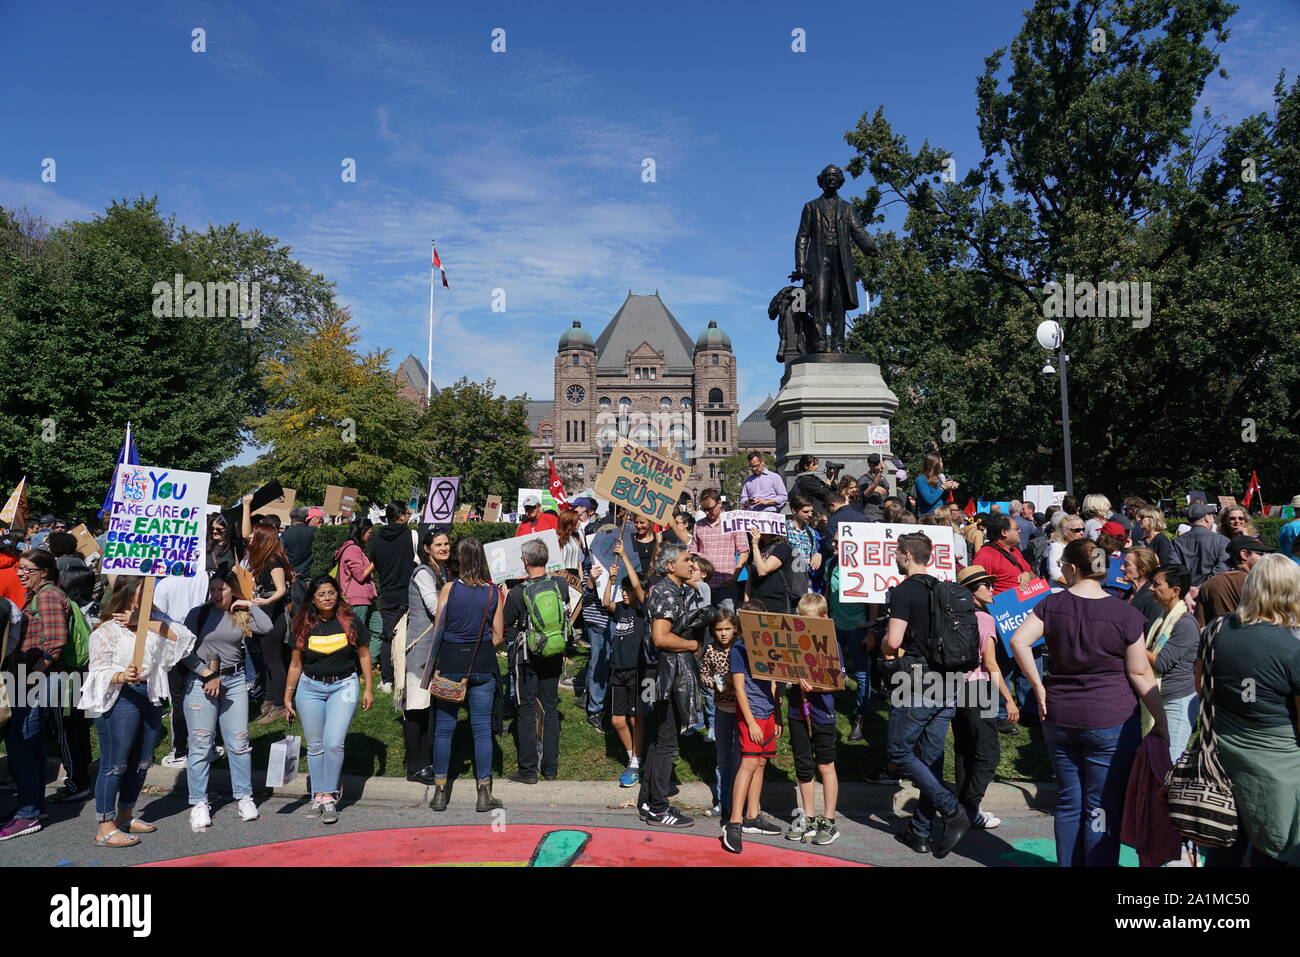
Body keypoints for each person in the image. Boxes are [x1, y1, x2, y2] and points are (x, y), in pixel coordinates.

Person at [1010, 537, 1168, 866]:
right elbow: (1139, 672)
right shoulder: (1123, 612)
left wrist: (1038, 687)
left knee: (1069, 801)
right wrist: (1162, 722)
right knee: (1101, 806)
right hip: (1110, 717)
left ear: (1070, 568)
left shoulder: (1051, 605)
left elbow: (1018, 641)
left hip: (1060, 714)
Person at [77, 575, 195, 847]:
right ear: (129, 592)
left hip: (150, 694)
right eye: (146, 588)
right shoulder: (107, 629)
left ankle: (125, 815)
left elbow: (183, 638)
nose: (151, 594)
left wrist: (143, 623)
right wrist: (120, 675)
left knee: (142, 761)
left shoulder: (155, 620)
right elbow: (97, 670)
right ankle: (104, 827)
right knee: (115, 764)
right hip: (121, 698)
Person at [1199, 554, 1300, 867]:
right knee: (1275, 848)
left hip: (1222, 752)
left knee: (1224, 841)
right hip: (1277, 763)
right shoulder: (1291, 646)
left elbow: (1199, 686)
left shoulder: (1216, 629)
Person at [882, 533, 970, 858]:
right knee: (931, 759)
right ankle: (919, 831)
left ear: (906, 555)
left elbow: (893, 641)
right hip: (950, 679)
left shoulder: (904, 590)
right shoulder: (943, 587)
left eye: (896, 553)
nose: (894, 557)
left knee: (898, 750)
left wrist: (881, 646)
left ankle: (951, 809)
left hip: (920, 681)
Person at [182, 569, 273, 829]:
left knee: (239, 742)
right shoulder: (198, 614)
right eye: (212, 588)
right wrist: (207, 674)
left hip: (233, 682)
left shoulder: (239, 613)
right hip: (201, 681)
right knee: (201, 743)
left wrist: (248, 604)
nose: (216, 593)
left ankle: (244, 796)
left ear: (232, 589)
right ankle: (199, 802)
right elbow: (184, 652)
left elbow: (266, 627)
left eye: (221, 588)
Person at [284, 575, 375, 824]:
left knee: (334, 743)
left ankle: (330, 796)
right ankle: (318, 795)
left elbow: (365, 654)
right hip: (310, 687)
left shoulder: (349, 619)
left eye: (331, 592)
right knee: (315, 746)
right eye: (321, 594)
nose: (327, 598)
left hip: (343, 685)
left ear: (338, 594)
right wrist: (288, 694)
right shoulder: (302, 622)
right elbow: (295, 663)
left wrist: (368, 687)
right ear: (313, 599)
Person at [425, 538, 505, 813]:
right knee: (482, 730)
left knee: (444, 730)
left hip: (450, 663)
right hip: (482, 663)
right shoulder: (493, 592)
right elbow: (498, 635)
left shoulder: (449, 589)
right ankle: (484, 792)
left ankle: (440, 791)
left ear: (459, 560)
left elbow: (439, 629)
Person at [1, 550, 71, 840]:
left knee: (22, 744)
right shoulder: (37, 596)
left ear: (45, 571)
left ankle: (27, 812)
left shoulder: (47, 596)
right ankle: (34, 806)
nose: (20, 574)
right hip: (34, 681)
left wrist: (30, 678)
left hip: (37, 682)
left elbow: (55, 643)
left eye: (27, 569)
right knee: (31, 745)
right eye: (19, 568)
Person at [637, 543, 701, 827]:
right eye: (687, 560)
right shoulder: (665, 591)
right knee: (666, 741)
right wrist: (691, 644)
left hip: (658, 672)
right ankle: (659, 808)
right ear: (670, 566)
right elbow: (661, 637)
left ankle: (648, 801)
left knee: (656, 738)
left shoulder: (670, 589)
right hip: (663, 674)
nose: (692, 564)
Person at [955, 565, 1019, 829]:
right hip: (980, 689)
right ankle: (969, 808)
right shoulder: (984, 619)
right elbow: (991, 664)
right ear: (972, 591)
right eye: (986, 585)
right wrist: (1009, 698)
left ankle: (962, 806)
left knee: (964, 750)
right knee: (989, 754)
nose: (992, 589)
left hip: (953, 687)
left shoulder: (952, 616)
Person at [504, 539, 571, 785]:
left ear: (525, 561)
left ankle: (528, 769)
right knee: (550, 707)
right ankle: (550, 768)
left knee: (526, 708)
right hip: (554, 651)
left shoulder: (517, 593)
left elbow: (507, 624)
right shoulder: (560, 584)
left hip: (527, 656)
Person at [720, 601, 784, 853]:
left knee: (761, 763)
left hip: (768, 715)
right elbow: (738, 688)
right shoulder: (739, 649)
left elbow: (775, 684)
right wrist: (749, 722)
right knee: (748, 763)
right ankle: (733, 822)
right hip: (752, 716)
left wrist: (777, 714)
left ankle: (752, 815)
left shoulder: (769, 647)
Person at [782, 592, 842, 846]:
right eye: (801, 621)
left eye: (811, 621)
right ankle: (808, 816)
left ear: (824, 618)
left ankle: (829, 820)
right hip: (797, 711)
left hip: (822, 713)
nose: (805, 626)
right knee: (803, 766)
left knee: (825, 765)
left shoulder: (831, 643)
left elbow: (838, 682)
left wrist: (815, 687)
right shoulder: (793, 642)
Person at [400, 530, 450, 785]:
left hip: (435, 650)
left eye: (446, 543)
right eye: (438, 544)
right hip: (420, 650)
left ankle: (426, 762)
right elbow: (435, 607)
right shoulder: (423, 573)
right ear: (427, 548)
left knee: (429, 709)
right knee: (417, 709)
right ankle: (415, 766)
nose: (444, 548)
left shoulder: (443, 572)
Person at [1143, 565, 1201, 764]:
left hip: (1176, 702)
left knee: (1169, 762)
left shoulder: (1185, 624)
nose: (1151, 588)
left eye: (1157, 584)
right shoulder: (1162, 618)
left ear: (1175, 591)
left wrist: (1132, 647)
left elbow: (1161, 662)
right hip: (1158, 698)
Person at [601, 537, 647, 789]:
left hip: (636, 669)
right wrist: (610, 580)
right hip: (617, 670)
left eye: (629, 591)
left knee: (634, 718)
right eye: (624, 590)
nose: (626, 594)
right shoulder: (620, 609)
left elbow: (638, 587)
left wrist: (626, 557)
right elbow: (605, 602)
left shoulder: (641, 610)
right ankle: (633, 757)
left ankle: (636, 761)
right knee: (618, 720)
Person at [243, 522, 292, 725]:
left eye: (256, 535)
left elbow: (281, 590)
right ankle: (271, 699)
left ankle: (280, 705)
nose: (251, 538)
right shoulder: (263, 558)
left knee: (274, 660)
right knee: (267, 658)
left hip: (274, 614)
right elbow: (245, 534)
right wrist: (246, 506)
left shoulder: (273, 560)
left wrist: (266, 601)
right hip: (265, 612)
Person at [699, 606, 741, 816]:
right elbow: (704, 673)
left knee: (739, 759)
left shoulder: (741, 649)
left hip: (741, 710)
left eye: (727, 628)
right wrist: (714, 683)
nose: (723, 633)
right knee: (722, 758)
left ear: (734, 628)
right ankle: (722, 802)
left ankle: (737, 801)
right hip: (721, 709)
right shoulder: (710, 650)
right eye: (718, 629)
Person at [370, 502, 417, 690]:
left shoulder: (377, 538)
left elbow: (376, 562)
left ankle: (387, 679)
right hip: (410, 591)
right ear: (401, 516)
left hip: (388, 591)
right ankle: (408, 675)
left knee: (389, 635)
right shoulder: (411, 535)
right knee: (411, 634)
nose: (409, 516)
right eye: (408, 513)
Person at [688, 489, 749, 609]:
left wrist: (735, 577)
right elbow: (693, 551)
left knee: (727, 623)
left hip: (725, 585)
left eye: (710, 508)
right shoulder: (698, 525)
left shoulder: (733, 522)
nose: (707, 513)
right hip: (703, 585)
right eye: (704, 509)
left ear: (720, 503)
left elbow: (744, 552)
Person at [1195, 535, 1273, 627]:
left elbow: (1200, 625)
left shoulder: (1209, 584)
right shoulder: (1257, 582)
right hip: (1253, 637)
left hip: (1219, 639)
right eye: (1260, 554)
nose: (1265, 558)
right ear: (1244, 554)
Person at [336, 517, 382, 666]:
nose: (371, 535)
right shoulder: (352, 549)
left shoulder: (355, 549)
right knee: (354, 635)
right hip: (357, 599)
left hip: (366, 598)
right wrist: (375, 562)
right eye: (369, 532)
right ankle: (351, 666)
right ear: (361, 532)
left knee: (378, 629)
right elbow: (360, 575)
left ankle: (371, 662)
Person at [1170, 503, 1230, 588]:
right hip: (1212, 590)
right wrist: (1200, 588)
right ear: (1207, 518)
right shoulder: (1222, 541)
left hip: (1185, 593)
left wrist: (1186, 590)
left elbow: (1175, 568)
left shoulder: (1176, 542)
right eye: (1213, 516)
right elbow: (1221, 569)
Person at [974, 513, 1033, 594]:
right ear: (1004, 532)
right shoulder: (985, 555)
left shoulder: (1014, 551)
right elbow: (976, 588)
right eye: (1016, 529)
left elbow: (1033, 575)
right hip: (1003, 605)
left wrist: (1027, 574)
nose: (1020, 531)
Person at [744, 527, 795, 614]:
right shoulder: (757, 548)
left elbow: (763, 571)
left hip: (776, 604)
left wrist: (755, 545)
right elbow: (750, 578)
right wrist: (746, 602)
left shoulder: (783, 548)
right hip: (756, 605)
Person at [785, 493, 820, 598]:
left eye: (811, 511)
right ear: (794, 511)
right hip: (787, 581)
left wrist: (818, 554)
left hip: (804, 582)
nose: (810, 514)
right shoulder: (784, 529)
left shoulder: (811, 532)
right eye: (805, 512)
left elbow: (813, 555)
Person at [1121, 546, 1161, 626]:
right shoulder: (1129, 593)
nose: (1121, 568)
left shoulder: (1152, 598)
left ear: (1142, 570)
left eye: (1126, 565)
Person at [1044, 514, 1086, 587]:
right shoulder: (1056, 547)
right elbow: (1055, 575)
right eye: (1077, 530)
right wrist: (1077, 587)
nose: (1082, 533)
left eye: (1083, 529)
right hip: (1060, 591)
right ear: (1065, 531)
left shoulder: (1080, 547)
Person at [281, 506, 318, 587]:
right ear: (305, 518)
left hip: (292, 574)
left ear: (292, 519)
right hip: (309, 572)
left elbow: (281, 554)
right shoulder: (314, 531)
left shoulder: (285, 534)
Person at [913, 451, 957, 517]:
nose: (942, 464)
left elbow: (942, 500)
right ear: (935, 464)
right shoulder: (921, 480)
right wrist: (942, 488)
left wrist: (948, 489)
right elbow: (929, 500)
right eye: (941, 462)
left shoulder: (939, 479)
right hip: (928, 517)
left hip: (941, 515)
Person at [556, 508, 584, 575]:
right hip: (561, 575)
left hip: (575, 576)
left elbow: (579, 563)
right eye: (577, 520)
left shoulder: (577, 538)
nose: (579, 522)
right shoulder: (556, 537)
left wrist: (581, 579)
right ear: (569, 522)